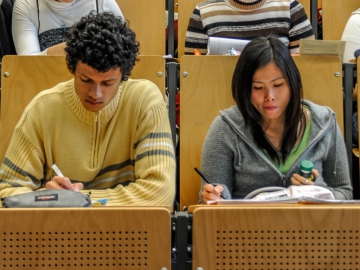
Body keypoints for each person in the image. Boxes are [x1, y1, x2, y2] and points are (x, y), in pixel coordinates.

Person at [0, 11, 176, 206]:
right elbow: (7, 193)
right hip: (60, 233)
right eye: (86, 80)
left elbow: (160, 192)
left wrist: (76, 202)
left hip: (129, 231)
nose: (96, 93)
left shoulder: (145, 101)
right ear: (72, 69)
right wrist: (48, 199)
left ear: (124, 75)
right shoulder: (43, 109)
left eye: (108, 83)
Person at [200, 35, 353, 203]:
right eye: (258, 88)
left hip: (313, 226)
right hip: (247, 227)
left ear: (292, 83)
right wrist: (216, 195)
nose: (270, 97)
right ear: (244, 89)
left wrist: (318, 193)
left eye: (278, 85)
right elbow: (210, 203)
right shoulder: (225, 128)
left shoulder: (324, 122)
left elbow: (344, 193)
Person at [184, 0, 315, 55]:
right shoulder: (203, 12)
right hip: (219, 95)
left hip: (277, 102)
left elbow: (307, 67)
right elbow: (191, 71)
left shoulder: (291, 9)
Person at [12, 0, 123, 55]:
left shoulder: (103, 3)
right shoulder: (26, 4)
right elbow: (27, 62)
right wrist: (77, 46)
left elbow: (125, 52)